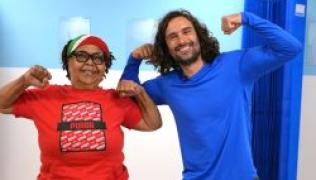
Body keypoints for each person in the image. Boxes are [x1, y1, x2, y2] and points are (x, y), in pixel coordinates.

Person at [119, 10, 302, 180]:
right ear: (166, 47)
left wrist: (246, 18)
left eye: (186, 31)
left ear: (199, 35)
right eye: (173, 37)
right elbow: (127, 95)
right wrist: (134, 59)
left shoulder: (236, 65)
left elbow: (290, 47)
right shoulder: (167, 84)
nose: (181, 40)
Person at [0, 34, 162, 180]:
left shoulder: (116, 99)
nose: (90, 62)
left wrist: (140, 92)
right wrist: (24, 81)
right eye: (81, 56)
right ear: (67, 62)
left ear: (105, 67)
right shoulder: (46, 95)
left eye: (98, 58)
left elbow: (152, 123)